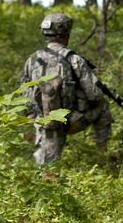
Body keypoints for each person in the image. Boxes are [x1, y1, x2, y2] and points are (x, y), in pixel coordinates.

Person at [21, 12, 112, 165]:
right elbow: (95, 96)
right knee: (103, 106)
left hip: (44, 122)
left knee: (47, 168)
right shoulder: (74, 60)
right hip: (70, 121)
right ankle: (102, 154)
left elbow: (24, 95)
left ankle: (47, 175)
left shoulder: (32, 60)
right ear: (66, 34)